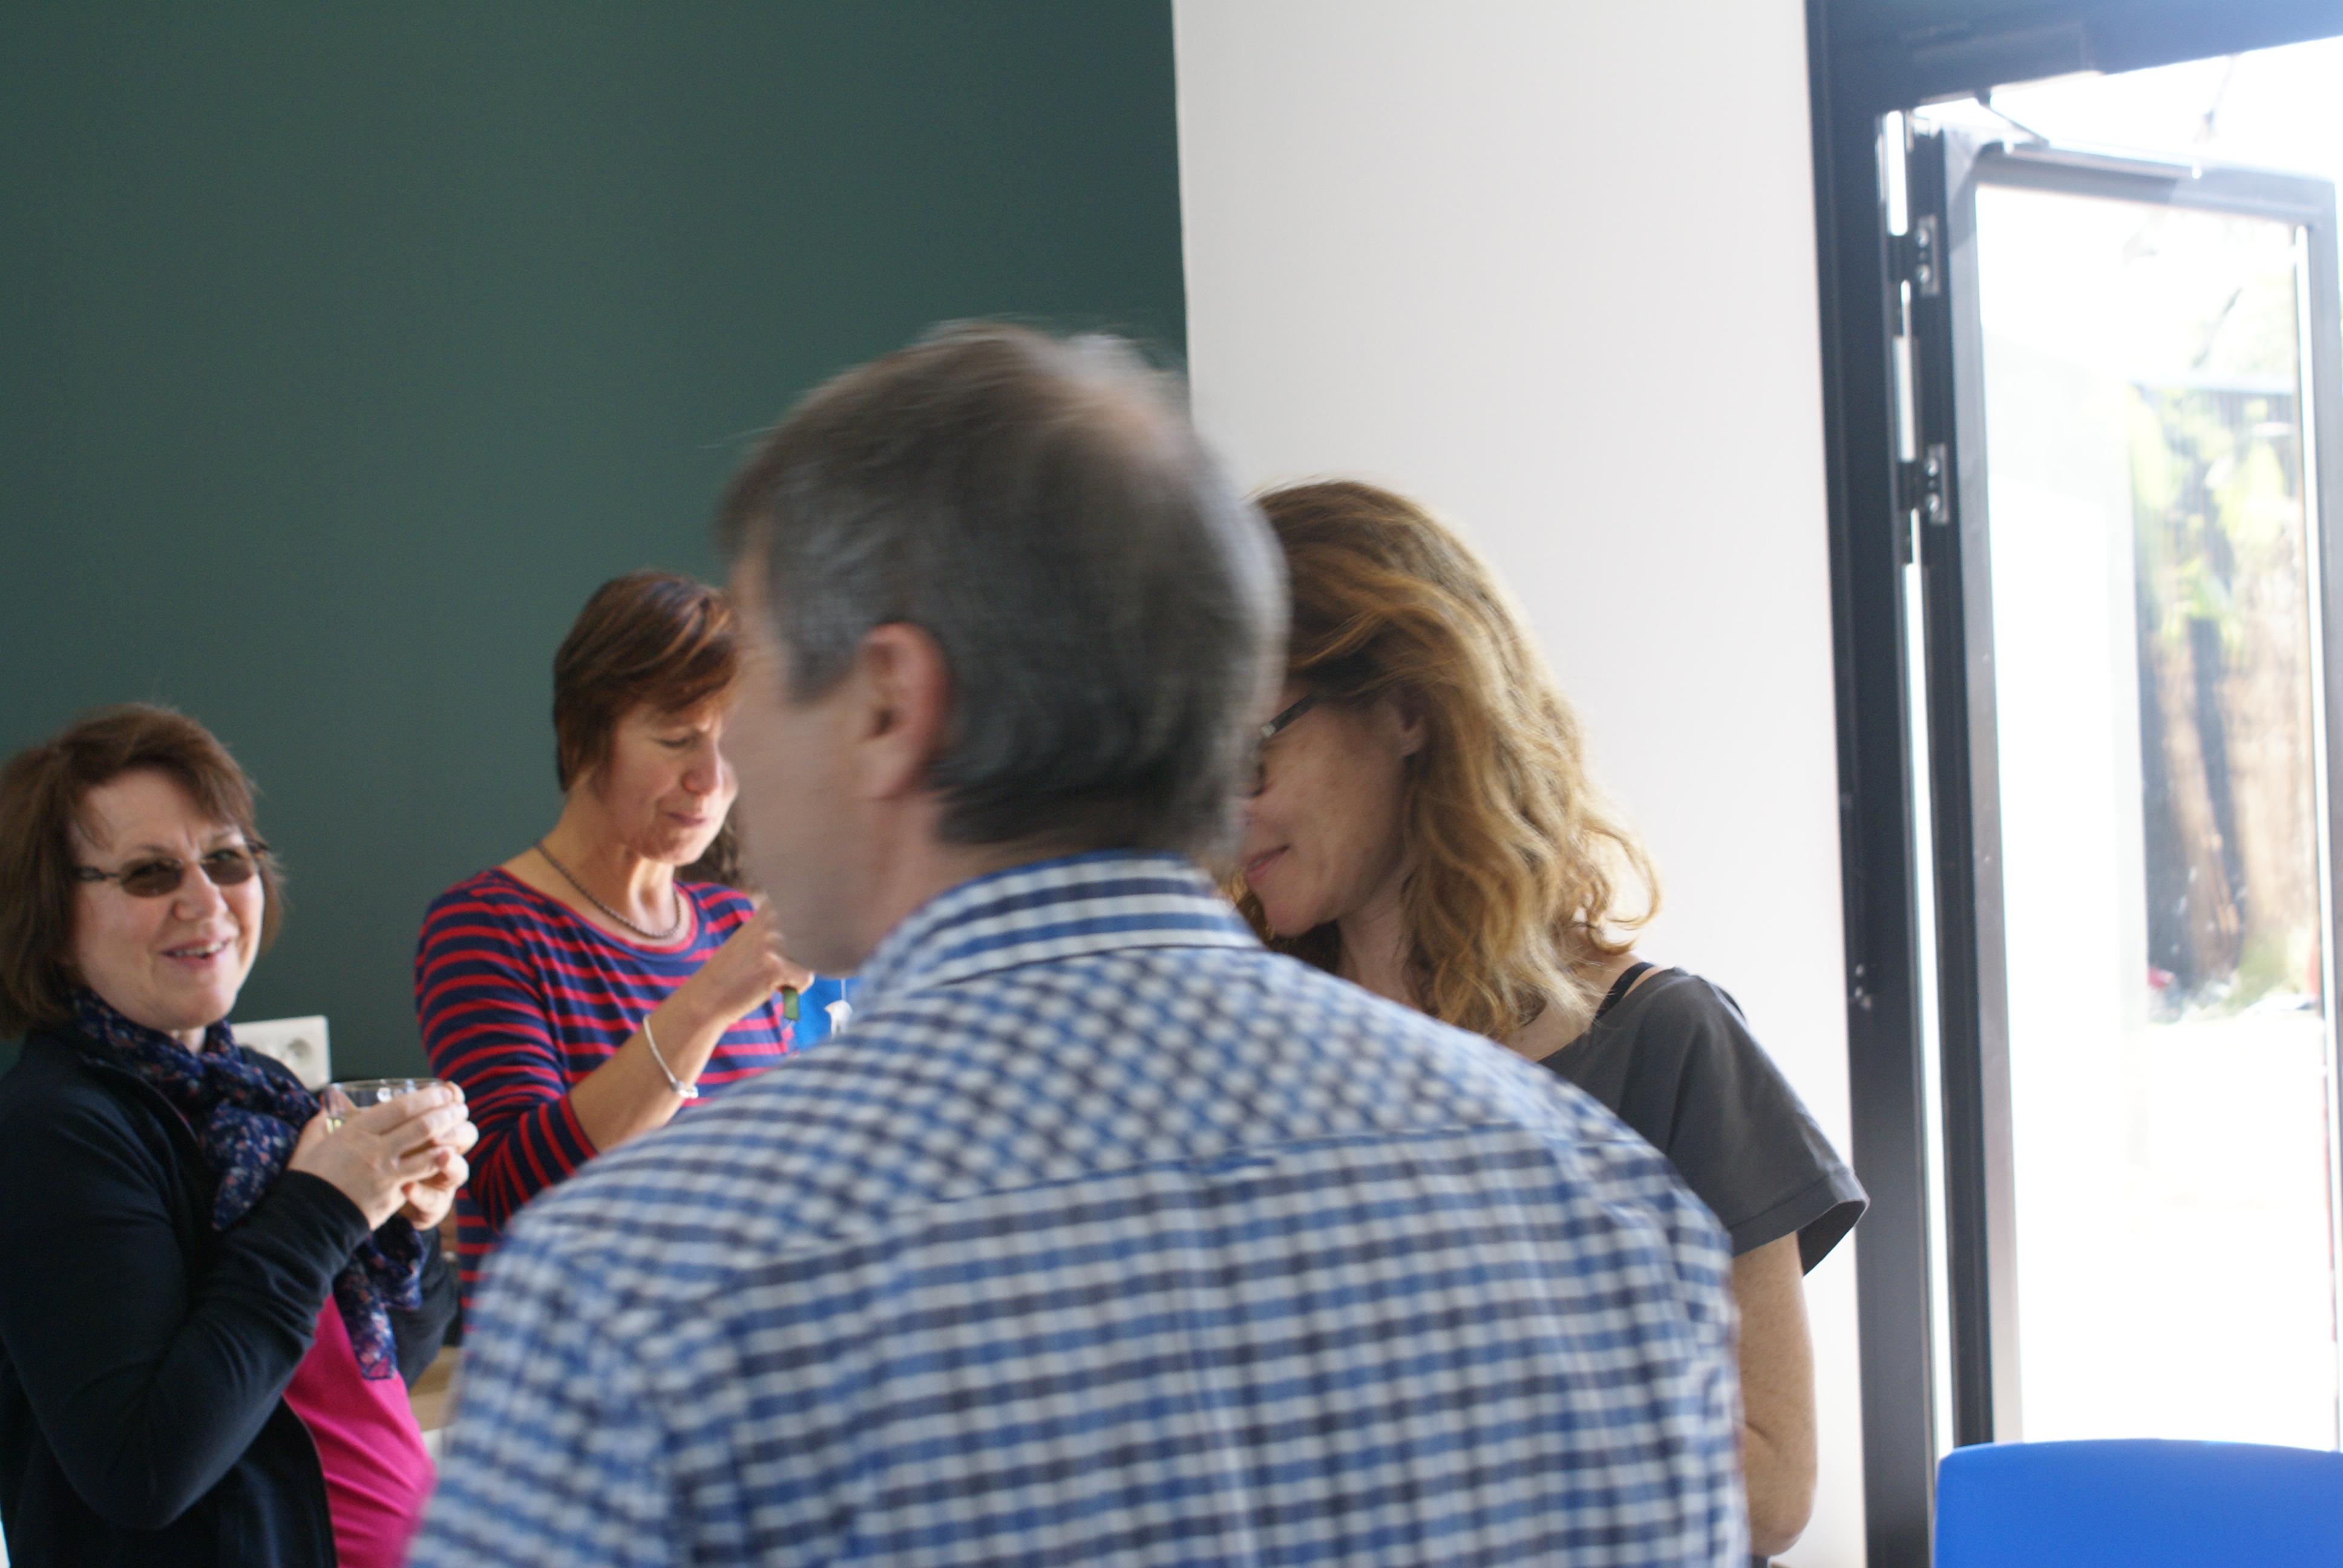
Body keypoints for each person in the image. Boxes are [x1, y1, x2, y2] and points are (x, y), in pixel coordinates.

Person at [411, 324, 1745, 1567]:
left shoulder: (640, 1299)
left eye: (757, 675)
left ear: (889, 705)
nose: (733, 756)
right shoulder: (1602, 1207)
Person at [1233, 479, 1867, 1562]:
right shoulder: (1248, 1057)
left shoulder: (1665, 1042)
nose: (1225, 809)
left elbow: (1770, 1491)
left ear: (1407, 707)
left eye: (1254, 748)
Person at [0, 705, 476, 1568]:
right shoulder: (55, 1129)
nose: (207, 900)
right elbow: (147, 1469)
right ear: (52, 921)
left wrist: (403, 1223)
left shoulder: (258, 1096)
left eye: (226, 859)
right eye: (149, 873)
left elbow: (377, 1376)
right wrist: (325, 1207)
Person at [416, 569, 847, 1305]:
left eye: (734, 744)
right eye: (677, 740)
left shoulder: (731, 923)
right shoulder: (485, 928)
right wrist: (707, 1002)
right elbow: (520, 1196)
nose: (709, 780)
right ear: (583, 735)